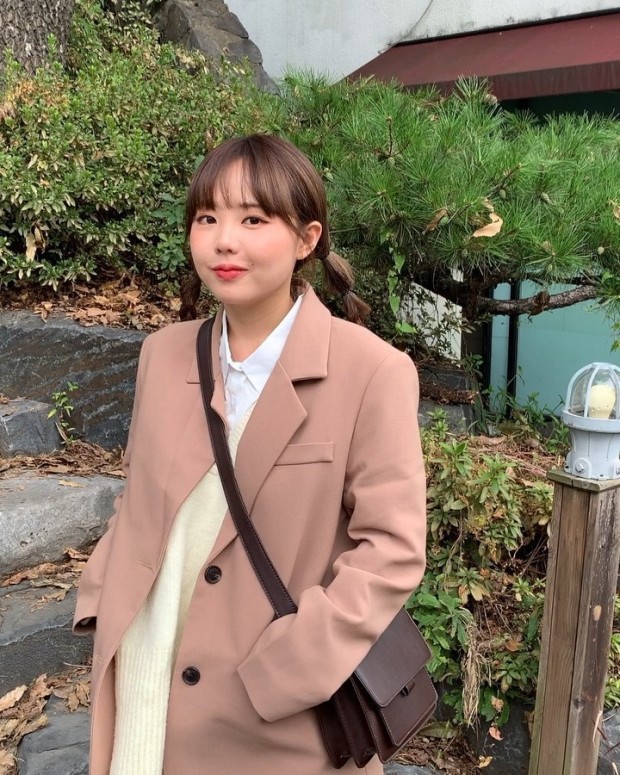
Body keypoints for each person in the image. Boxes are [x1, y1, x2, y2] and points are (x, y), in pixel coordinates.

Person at [74, 134, 427, 775]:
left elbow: (391, 552)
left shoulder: (371, 372)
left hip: (272, 718)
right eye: (207, 218)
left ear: (307, 239)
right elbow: (139, 497)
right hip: (143, 683)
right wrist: (102, 595)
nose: (223, 241)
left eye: (254, 220)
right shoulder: (163, 354)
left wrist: (289, 669)